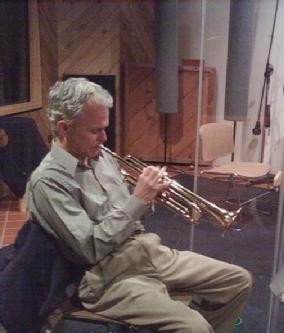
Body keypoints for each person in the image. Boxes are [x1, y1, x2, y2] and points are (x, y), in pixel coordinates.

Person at [26, 78, 252, 333]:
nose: (104, 138)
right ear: (64, 129)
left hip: (147, 251)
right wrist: (139, 199)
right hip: (107, 276)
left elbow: (126, 210)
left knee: (238, 280)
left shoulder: (100, 157)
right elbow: (90, 248)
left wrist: (151, 192)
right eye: (95, 130)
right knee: (195, 328)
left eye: (105, 128)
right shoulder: (49, 182)